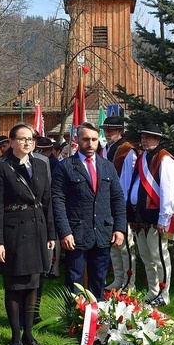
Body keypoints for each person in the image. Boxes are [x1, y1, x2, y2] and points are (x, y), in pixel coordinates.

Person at [0, 123, 55, 345]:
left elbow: (47, 201)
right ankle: (15, 336)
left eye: (31, 139)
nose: (28, 142)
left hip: (37, 228)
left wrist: (51, 234)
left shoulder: (39, 164)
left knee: (33, 286)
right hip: (13, 231)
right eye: (22, 139)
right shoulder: (2, 166)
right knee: (14, 285)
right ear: (11, 142)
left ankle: (29, 334)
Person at [51, 122, 126, 299]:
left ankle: (97, 320)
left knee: (99, 280)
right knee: (74, 282)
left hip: (102, 233)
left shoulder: (107, 166)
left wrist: (119, 228)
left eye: (94, 139)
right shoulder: (65, 167)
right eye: (86, 139)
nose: (90, 143)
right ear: (77, 140)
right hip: (76, 234)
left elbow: (117, 199)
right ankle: (73, 322)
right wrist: (64, 232)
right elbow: (58, 201)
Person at [121, 124, 174, 306]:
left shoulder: (165, 159)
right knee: (146, 257)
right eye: (143, 137)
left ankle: (164, 293)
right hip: (140, 216)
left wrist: (164, 218)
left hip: (155, 217)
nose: (144, 140)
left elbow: (168, 191)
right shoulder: (143, 157)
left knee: (160, 256)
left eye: (148, 137)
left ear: (158, 140)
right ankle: (152, 291)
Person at [100, 115, 138, 292]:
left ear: (120, 131)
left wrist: (121, 206)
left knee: (126, 247)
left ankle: (129, 283)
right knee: (114, 246)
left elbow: (127, 181)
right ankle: (118, 278)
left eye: (111, 130)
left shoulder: (127, 151)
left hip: (122, 205)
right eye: (106, 130)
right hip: (108, 205)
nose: (108, 133)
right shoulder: (106, 149)